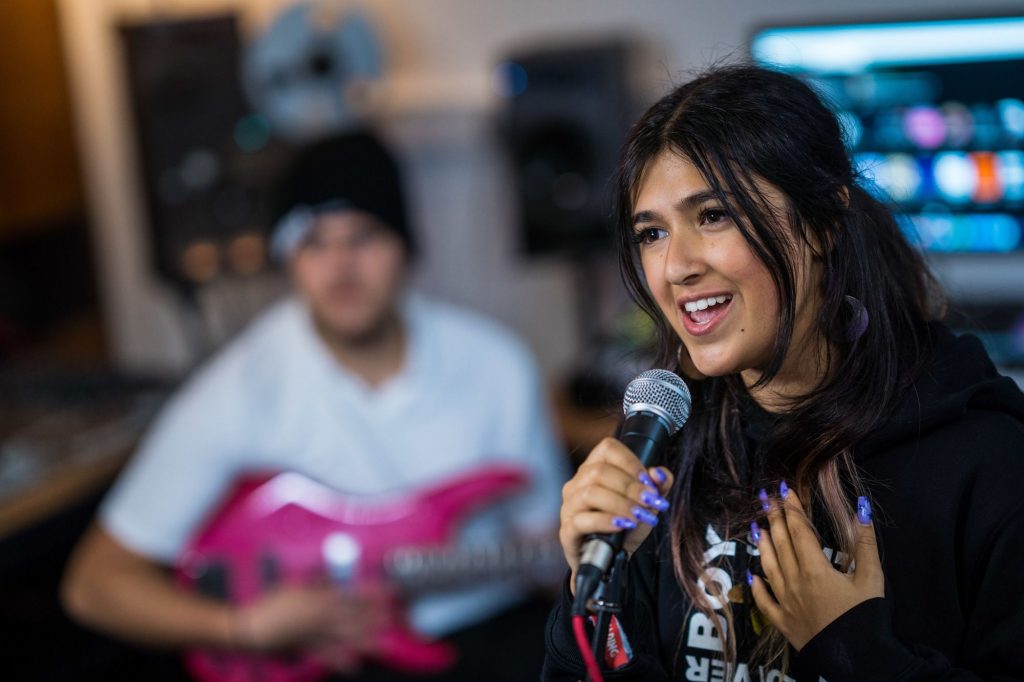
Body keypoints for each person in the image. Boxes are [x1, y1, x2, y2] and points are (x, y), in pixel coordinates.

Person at [544, 65, 1024, 681]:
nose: (674, 267)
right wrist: (593, 602)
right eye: (652, 232)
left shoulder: (985, 459)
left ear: (823, 223)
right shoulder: (662, 454)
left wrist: (857, 648)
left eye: (714, 215)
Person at [61, 130, 569, 681]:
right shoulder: (239, 389)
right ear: (287, 259)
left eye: (364, 236)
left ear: (406, 247)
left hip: (496, 636)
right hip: (337, 663)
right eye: (314, 242)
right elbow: (94, 585)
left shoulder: (497, 364)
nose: (340, 266)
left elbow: (546, 552)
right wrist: (243, 628)